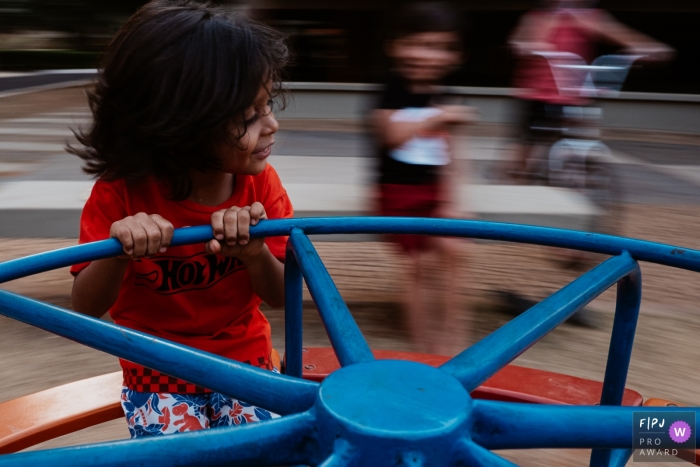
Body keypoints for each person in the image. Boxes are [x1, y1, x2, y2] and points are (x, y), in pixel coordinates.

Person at [68, 0, 291, 437]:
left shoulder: (261, 188)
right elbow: (85, 307)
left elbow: (284, 293)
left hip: (246, 360)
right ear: (181, 127)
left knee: (265, 447)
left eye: (268, 106)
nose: (272, 125)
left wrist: (254, 252)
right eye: (251, 116)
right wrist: (118, 252)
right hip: (157, 369)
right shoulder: (120, 194)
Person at [373, 2, 475, 356]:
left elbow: (453, 155)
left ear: (452, 55)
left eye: (439, 47)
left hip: (434, 193)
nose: (426, 55)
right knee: (419, 265)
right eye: (418, 44)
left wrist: (453, 203)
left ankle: (455, 342)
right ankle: (425, 350)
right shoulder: (391, 89)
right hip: (397, 194)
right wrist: (438, 117)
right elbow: (390, 135)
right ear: (396, 46)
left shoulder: (443, 94)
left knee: (456, 251)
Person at [507, 0, 674, 179]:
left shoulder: (591, 17)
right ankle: (516, 175)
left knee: (582, 132)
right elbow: (520, 41)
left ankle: (578, 174)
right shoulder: (538, 18)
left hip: (573, 92)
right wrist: (527, 45)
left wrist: (647, 47)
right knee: (528, 143)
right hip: (538, 92)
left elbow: (622, 34)